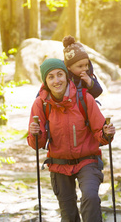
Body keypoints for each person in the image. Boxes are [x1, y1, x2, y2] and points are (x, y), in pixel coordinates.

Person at [28, 58, 116, 222]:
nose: (56, 80)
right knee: (68, 214)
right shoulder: (41, 104)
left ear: (67, 76)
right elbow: (37, 144)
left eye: (60, 74)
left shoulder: (84, 98)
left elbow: (101, 134)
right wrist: (35, 134)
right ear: (46, 82)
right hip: (58, 164)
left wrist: (106, 133)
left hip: (87, 161)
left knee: (90, 198)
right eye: (51, 77)